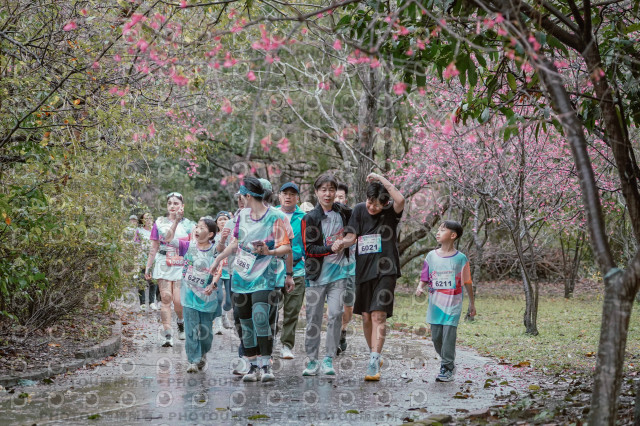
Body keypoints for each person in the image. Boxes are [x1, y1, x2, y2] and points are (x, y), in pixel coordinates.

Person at [210, 177, 294, 383]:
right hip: (241, 276)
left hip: (265, 277)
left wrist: (269, 251)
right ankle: (252, 364)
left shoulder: (275, 217)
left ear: (248, 196)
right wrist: (218, 259)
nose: (240, 199)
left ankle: (266, 364)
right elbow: (236, 243)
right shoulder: (241, 216)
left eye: (241, 196)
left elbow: (286, 247)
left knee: (260, 316)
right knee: (243, 320)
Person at [342, 173, 405, 381]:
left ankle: (373, 361)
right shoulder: (360, 209)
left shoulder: (390, 212)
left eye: (377, 204)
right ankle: (374, 354)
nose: (372, 207)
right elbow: (351, 235)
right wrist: (342, 243)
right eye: (370, 201)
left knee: (379, 315)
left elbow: (400, 199)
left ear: (385, 203)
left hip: (386, 270)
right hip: (363, 270)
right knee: (367, 317)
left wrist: (380, 178)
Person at [301, 174, 351, 376]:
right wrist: (331, 248)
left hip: (339, 275)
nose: (328, 194)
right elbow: (309, 248)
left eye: (331, 189)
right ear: (316, 192)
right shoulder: (310, 218)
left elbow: (360, 221)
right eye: (323, 190)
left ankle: (329, 358)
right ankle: (312, 360)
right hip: (316, 276)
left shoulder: (344, 213)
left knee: (336, 314)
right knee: (313, 318)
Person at [415, 221, 476, 382]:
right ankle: (448, 361)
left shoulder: (460, 259)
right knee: (436, 338)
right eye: (438, 230)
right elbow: (425, 277)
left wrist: (472, 303)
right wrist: (420, 287)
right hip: (435, 307)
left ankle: (447, 367)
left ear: (453, 235)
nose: (438, 232)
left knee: (448, 336)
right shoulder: (431, 256)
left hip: (453, 306)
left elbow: (467, 282)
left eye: (442, 230)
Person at [165, 215, 220, 372]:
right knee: (191, 329)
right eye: (197, 226)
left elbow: (219, 268)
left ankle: (203, 353)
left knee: (206, 333)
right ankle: (193, 361)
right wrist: (176, 221)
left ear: (210, 234)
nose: (197, 229)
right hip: (189, 295)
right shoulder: (188, 246)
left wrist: (213, 284)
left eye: (202, 228)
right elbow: (168, 239)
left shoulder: (215, 250)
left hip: (207, 296)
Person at [145, 192, 196, 347]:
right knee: (166, 298)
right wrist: (148, 266)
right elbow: (154, 246)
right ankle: (168, 335)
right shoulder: (159, 223)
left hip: (181, 264)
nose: (172, 206)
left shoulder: (189, 225)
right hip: (163, 263)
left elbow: (194, 248)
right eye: (169, 203)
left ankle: (181, 321)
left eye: (176, 203)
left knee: (178, 301)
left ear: (182, 206)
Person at [275, 182, 306, 360]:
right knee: (272, 308)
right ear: (279, 196)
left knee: (292, 310)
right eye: (285, 193)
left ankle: (287, 345)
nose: (288, 197)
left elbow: (308, 242)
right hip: (274, 269)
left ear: (297, 198)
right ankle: (268, 341)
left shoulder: (304, 218)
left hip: (298, 269)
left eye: (292, 194)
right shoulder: (271, 214)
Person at [334, 182, 355, 355]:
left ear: (345, 200)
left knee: (348, 305)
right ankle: (334, 337)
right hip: (331, 269)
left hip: (350, 268)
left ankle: (343, 330)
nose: (337, 200)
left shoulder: (353, 216)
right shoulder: (323, 217)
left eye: (340, 197)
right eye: (335, 196)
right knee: (334, 305)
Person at [212, 211, 234, 334]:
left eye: (225, 219)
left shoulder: (235, 235)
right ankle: (218, 323)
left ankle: (224, 314)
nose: (223, 222)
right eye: (220, 219)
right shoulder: (213, 236)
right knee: (219, 297)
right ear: (216, 223)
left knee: (230, 301)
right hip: (218, 271)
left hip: (230, 270)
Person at [135, 212, 159, 311]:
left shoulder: (156, 230)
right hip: (142, 258)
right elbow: (136, 245)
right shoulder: (139, 230)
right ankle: (142, 303)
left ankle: (152, 302)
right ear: (142, 220)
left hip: (154, 258)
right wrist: (136, 259)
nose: (148, 220)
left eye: (150, 218)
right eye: (146, 218)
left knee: (153, 280)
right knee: (141, 279)